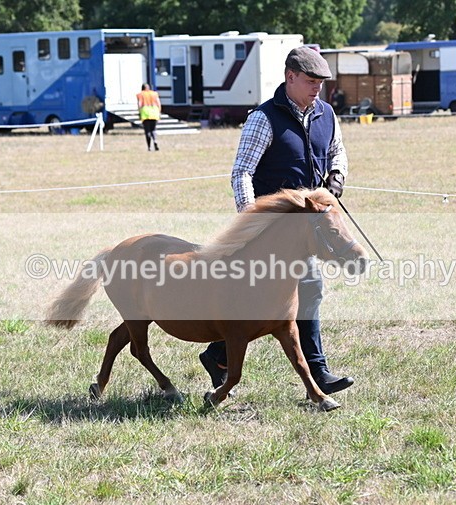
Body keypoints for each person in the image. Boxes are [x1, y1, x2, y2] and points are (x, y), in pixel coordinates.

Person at [199, 46, 354, 395]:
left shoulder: (326, 114)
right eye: (311, 81)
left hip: (308, 227)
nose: (317, 88)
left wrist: (338, 175)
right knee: (267, 298)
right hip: (271, 229)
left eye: (321, 83)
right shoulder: (263, 118)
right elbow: (242, 172)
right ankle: (222, 355)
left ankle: (311, 370)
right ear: (291, 77)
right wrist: (250, 219)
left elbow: (337, 151)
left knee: (306, 289)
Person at [136, 83, 161, 151]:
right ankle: (155, 140)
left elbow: (140, 104)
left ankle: (149, 147)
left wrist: (139, 112)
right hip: (154, 112)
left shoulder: (140, 94)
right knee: (153, 129)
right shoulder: (154, 94)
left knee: (147, 131)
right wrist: (159, 112)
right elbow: (158, 103)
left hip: (145, 113)